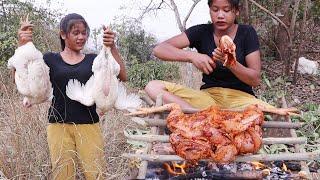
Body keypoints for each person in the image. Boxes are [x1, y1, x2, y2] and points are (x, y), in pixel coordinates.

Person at [17, 13, 126, 179]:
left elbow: (122, 76)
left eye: (84, 33)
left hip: (89, 125)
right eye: (76, 33)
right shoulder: (50, 59)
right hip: (58, 126)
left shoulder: (93, 60)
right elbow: (23, 76)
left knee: (96, 173)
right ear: (63, 34)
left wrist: (112, 47)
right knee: (62, 174)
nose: (81, 37)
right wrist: (23, 44)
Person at [145, 0, 273, 111]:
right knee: (153, 87)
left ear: (237, 11)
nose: (220, 15)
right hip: (207, 99)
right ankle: (196, 116)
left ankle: (199, 117)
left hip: (241, 100)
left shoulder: (247, 32)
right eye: (215, 10)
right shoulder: (201, 32)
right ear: (210, 10)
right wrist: (192, 56)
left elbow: (255, 80)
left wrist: (230, 63)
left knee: (274, 113)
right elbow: (159, 49)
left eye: (227, 10)